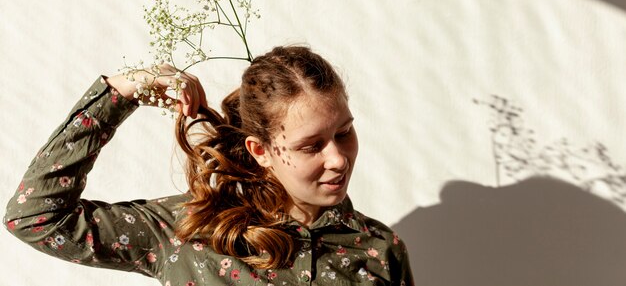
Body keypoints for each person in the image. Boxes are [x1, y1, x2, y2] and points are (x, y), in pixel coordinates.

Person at [4, 45, 414, 286]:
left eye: (344, 132)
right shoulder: (189, 230)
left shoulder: (380, 251)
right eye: (311, 146)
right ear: (260, 150)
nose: (338, 158)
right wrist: (124, 90)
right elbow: (34, 216)